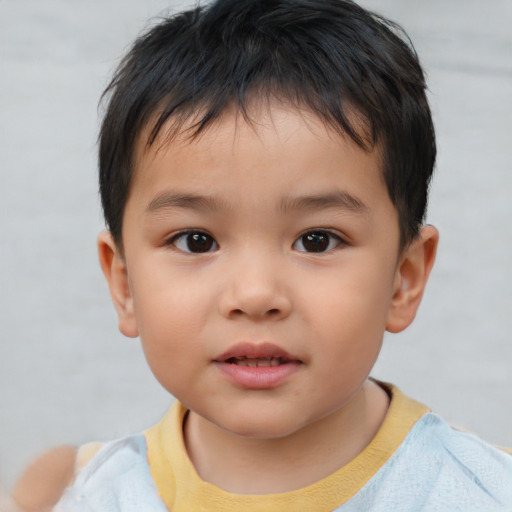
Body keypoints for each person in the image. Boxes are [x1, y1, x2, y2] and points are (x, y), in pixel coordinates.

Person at [50, 0, 512, 510]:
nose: (255, 295)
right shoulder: (90, 496)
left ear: (404, 279)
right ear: (124, 283)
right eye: (196, 240)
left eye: (317, 240)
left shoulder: (479, 494)